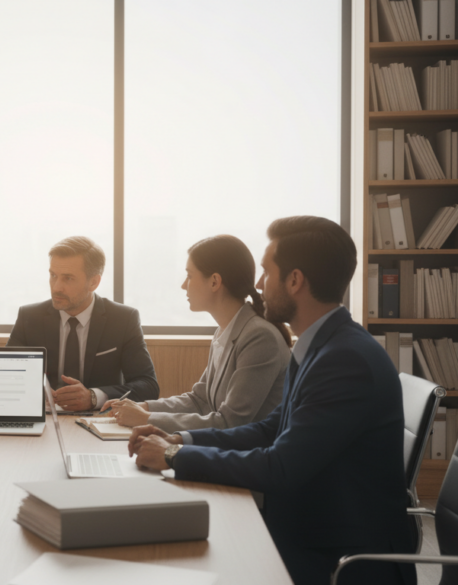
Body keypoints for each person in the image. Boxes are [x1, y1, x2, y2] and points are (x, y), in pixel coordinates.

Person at [129, 217, 416, 585]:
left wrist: (174, 457)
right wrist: (181, 441)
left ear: (295, 280)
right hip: (308, 527)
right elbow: (270, 428)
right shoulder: (320, 345)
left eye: (266, 272)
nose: (259, 285)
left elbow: (281, 467)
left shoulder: (346, 360)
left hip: (337, 557)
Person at [103, 235, 290, 431]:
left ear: (215, 282)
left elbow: (231, 422)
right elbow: (199, 400)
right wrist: (143, 407)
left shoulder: (259, 337)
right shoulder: (225, 331)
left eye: (190, 276)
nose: (184, 285)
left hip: (249, 455)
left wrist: (147, 418)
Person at [7, 236, 158, 411]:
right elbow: (6, 377)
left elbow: (148, 386)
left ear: (93, 282)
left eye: (68, 278)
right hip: (44, 417)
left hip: (99, 419)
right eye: (53, 275)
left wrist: (94, 397)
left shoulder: (123, 319)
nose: (56, 287)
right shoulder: (29, 317)